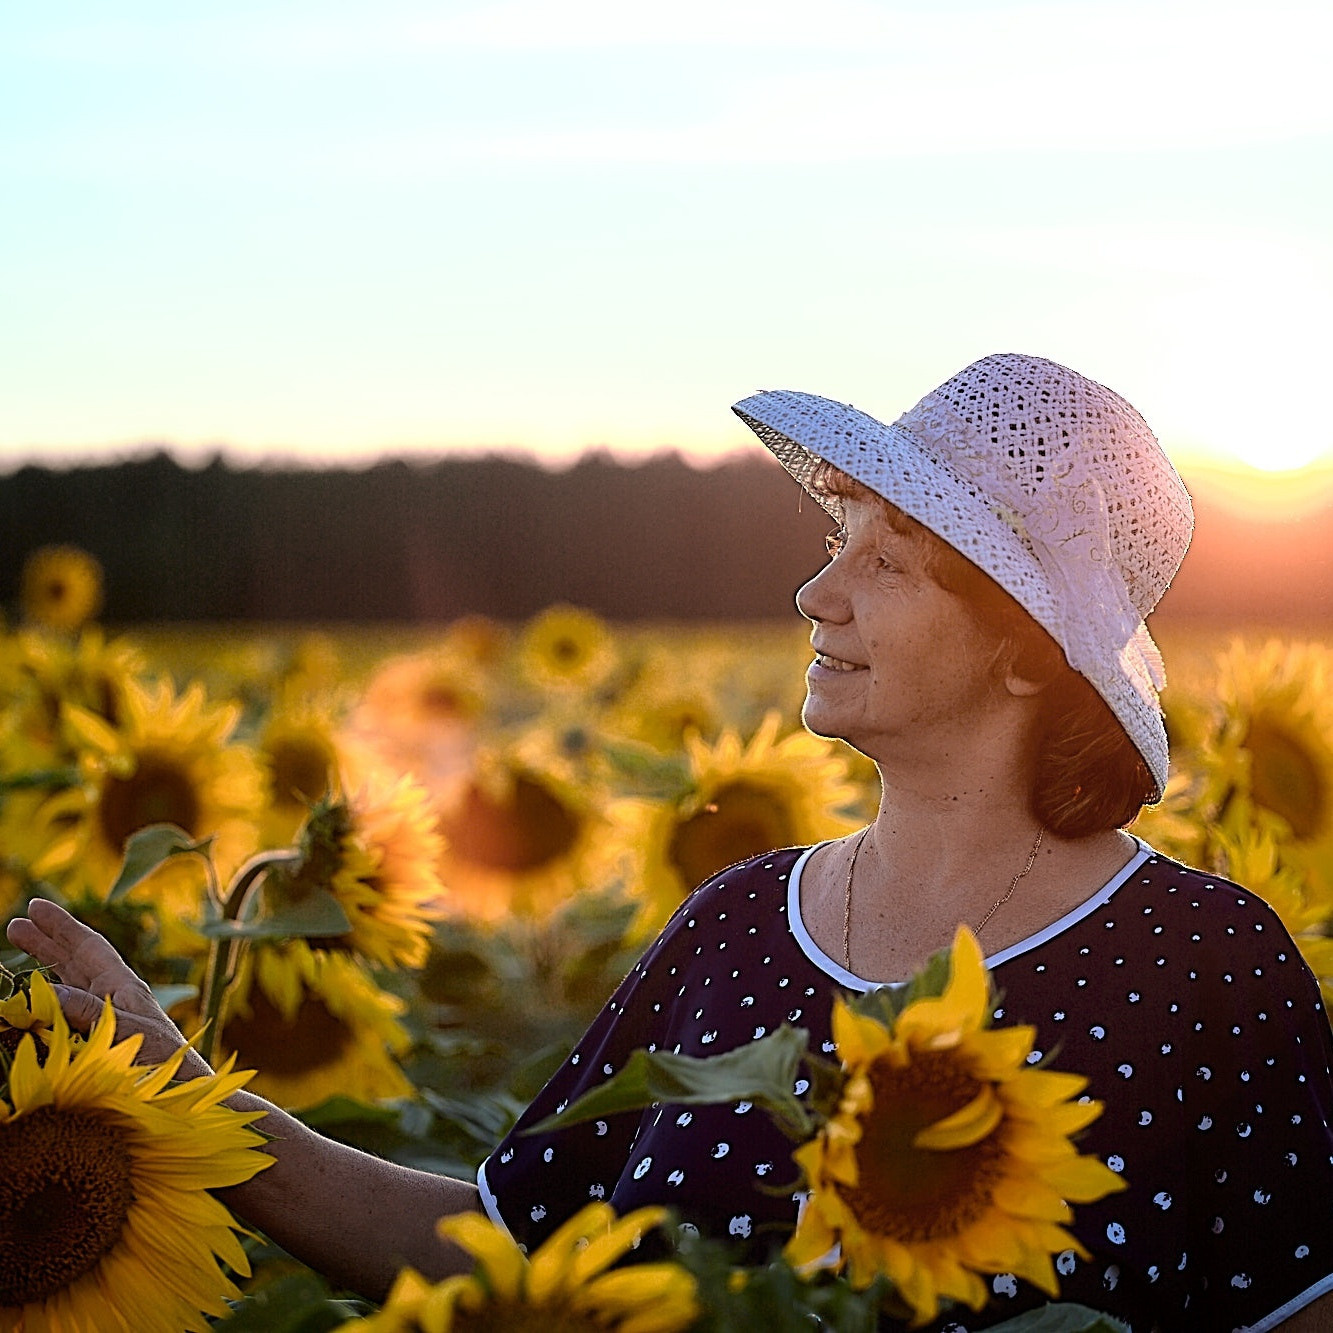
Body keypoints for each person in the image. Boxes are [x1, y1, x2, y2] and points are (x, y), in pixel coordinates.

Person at [10, 353, 1333, 1331]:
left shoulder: (1204, 964)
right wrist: (184, 1085)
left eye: (889, 564)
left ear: (1026, 654)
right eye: (834, 541)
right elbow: (510, 1241)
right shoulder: (741, 925)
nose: (815, 594)